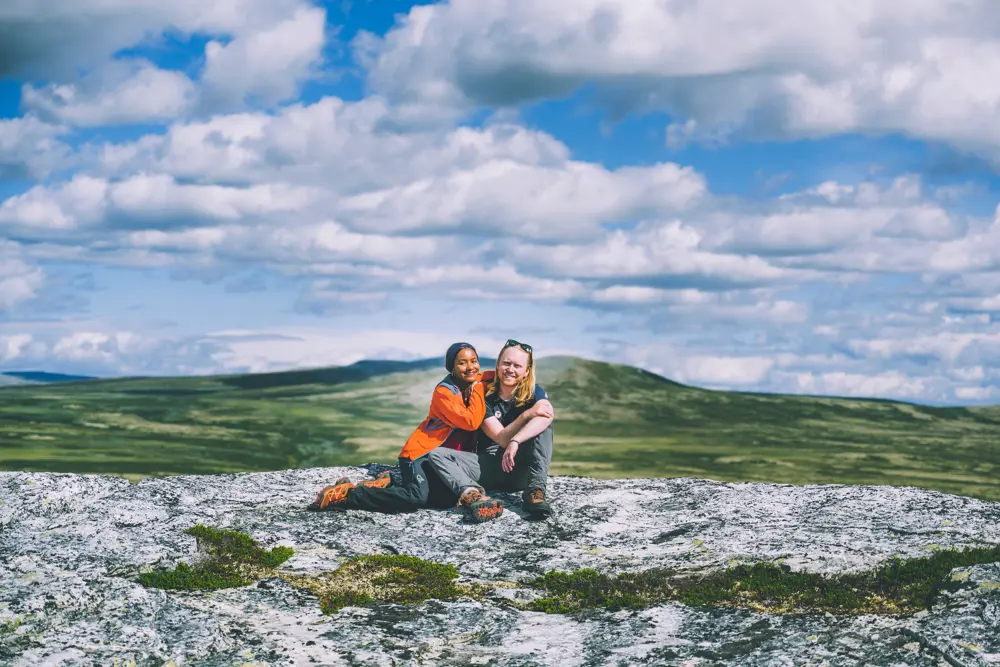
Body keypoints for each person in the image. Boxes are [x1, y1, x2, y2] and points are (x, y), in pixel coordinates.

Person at [307, 342, 505, 522]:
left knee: (450, 498)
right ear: (452, 367)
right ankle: (348, 495)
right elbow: (470, 422)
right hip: (421, 455)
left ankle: (390, 482)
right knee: (416, 497)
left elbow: (500, 375)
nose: (470, 366)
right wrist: (478, 386)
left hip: (447, 461)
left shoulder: (475, 379)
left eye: (474, 361)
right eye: (462, 363)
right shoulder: (445, 392)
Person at [428, 339, 556, 520]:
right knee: (437, 454)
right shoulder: (483, 395)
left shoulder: (535, 392)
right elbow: (500, 438)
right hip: (489, 466)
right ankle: (474, 496)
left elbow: (547, 414)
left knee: (544, 424)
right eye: (506, 363)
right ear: (497, 365)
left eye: (517, 366)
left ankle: (534, 492)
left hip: (522, 469)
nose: (510, 369)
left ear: (526, 371)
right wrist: (526, 416)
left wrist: (516, 441)